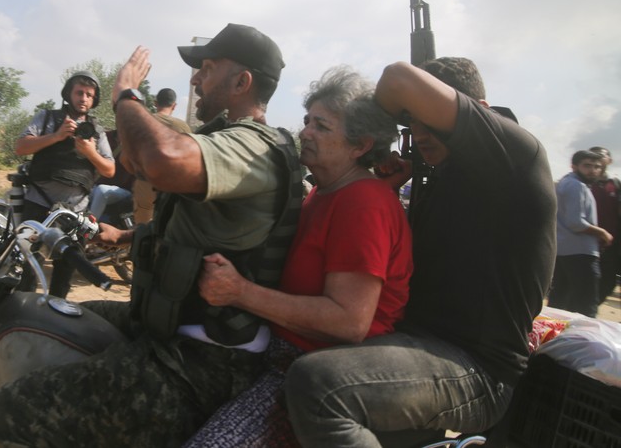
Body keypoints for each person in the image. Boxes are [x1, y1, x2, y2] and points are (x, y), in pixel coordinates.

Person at [0, 23, 304, 447]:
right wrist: (125, 237)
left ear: (242, 82)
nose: (195, 80)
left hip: (205, 359)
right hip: (166, 326)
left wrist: (126, 94)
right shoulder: (222, 138)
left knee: (12, 412)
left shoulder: (255, 146)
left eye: (206, 69)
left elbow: (161, 160)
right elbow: (180, 214)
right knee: (39, 316)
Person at [284, 57, 557, 447]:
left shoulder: (513, 151)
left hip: (476, 368)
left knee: (321, 386)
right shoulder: (444, 174)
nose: (418, 133)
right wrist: (391, 189)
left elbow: (398, 77)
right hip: (418, 345)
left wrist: (360, 122)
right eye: (411, 122)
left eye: (429, 121)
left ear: (475, 110)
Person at [183, 66, 412, 448]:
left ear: (360, 145)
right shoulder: (325, 191)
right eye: (307, 121)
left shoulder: (362, 202)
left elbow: (349, 321)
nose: (305, 131)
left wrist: (239, 292)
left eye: (321, 126)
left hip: (309, 372)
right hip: (275, 352)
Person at [13, 70, 115, 297]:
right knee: (29, 269)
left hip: (75, 211)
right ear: (68, 94)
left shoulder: (96, 132)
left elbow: (109, 169)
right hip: (39, 204)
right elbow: (20, 147)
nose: (84, 98)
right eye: (79, 92)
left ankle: (54, 315)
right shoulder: (47, 118)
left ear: (94, 100)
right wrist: (56, 136)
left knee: (64, 273)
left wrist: (90, 152)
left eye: (89, 94)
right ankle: (23, 315)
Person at [549, 149, 613, 317]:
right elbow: (575, 223)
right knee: (586, 304)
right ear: (574, 166)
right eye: (587, 166)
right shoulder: (576, 186)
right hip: (580, 251)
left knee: (559, 302)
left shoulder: (568, 183)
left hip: (565, 250)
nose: (592, 170)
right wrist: (602, 233)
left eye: (596, 166)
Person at [133, 87, 191, 224]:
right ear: (174, 105)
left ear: (155, 102)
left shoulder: (141, 122)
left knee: (142, 231)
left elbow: (126, 158)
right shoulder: (182, 127)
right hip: (172, 188)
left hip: (144, 185)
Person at [589, 146, 620, 304]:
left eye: (602, 155)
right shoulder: (583, 184)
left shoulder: (614, 184)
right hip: (587, 243)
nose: (598, 158)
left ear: (610, 160)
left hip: (610, 244)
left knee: (608, 282)